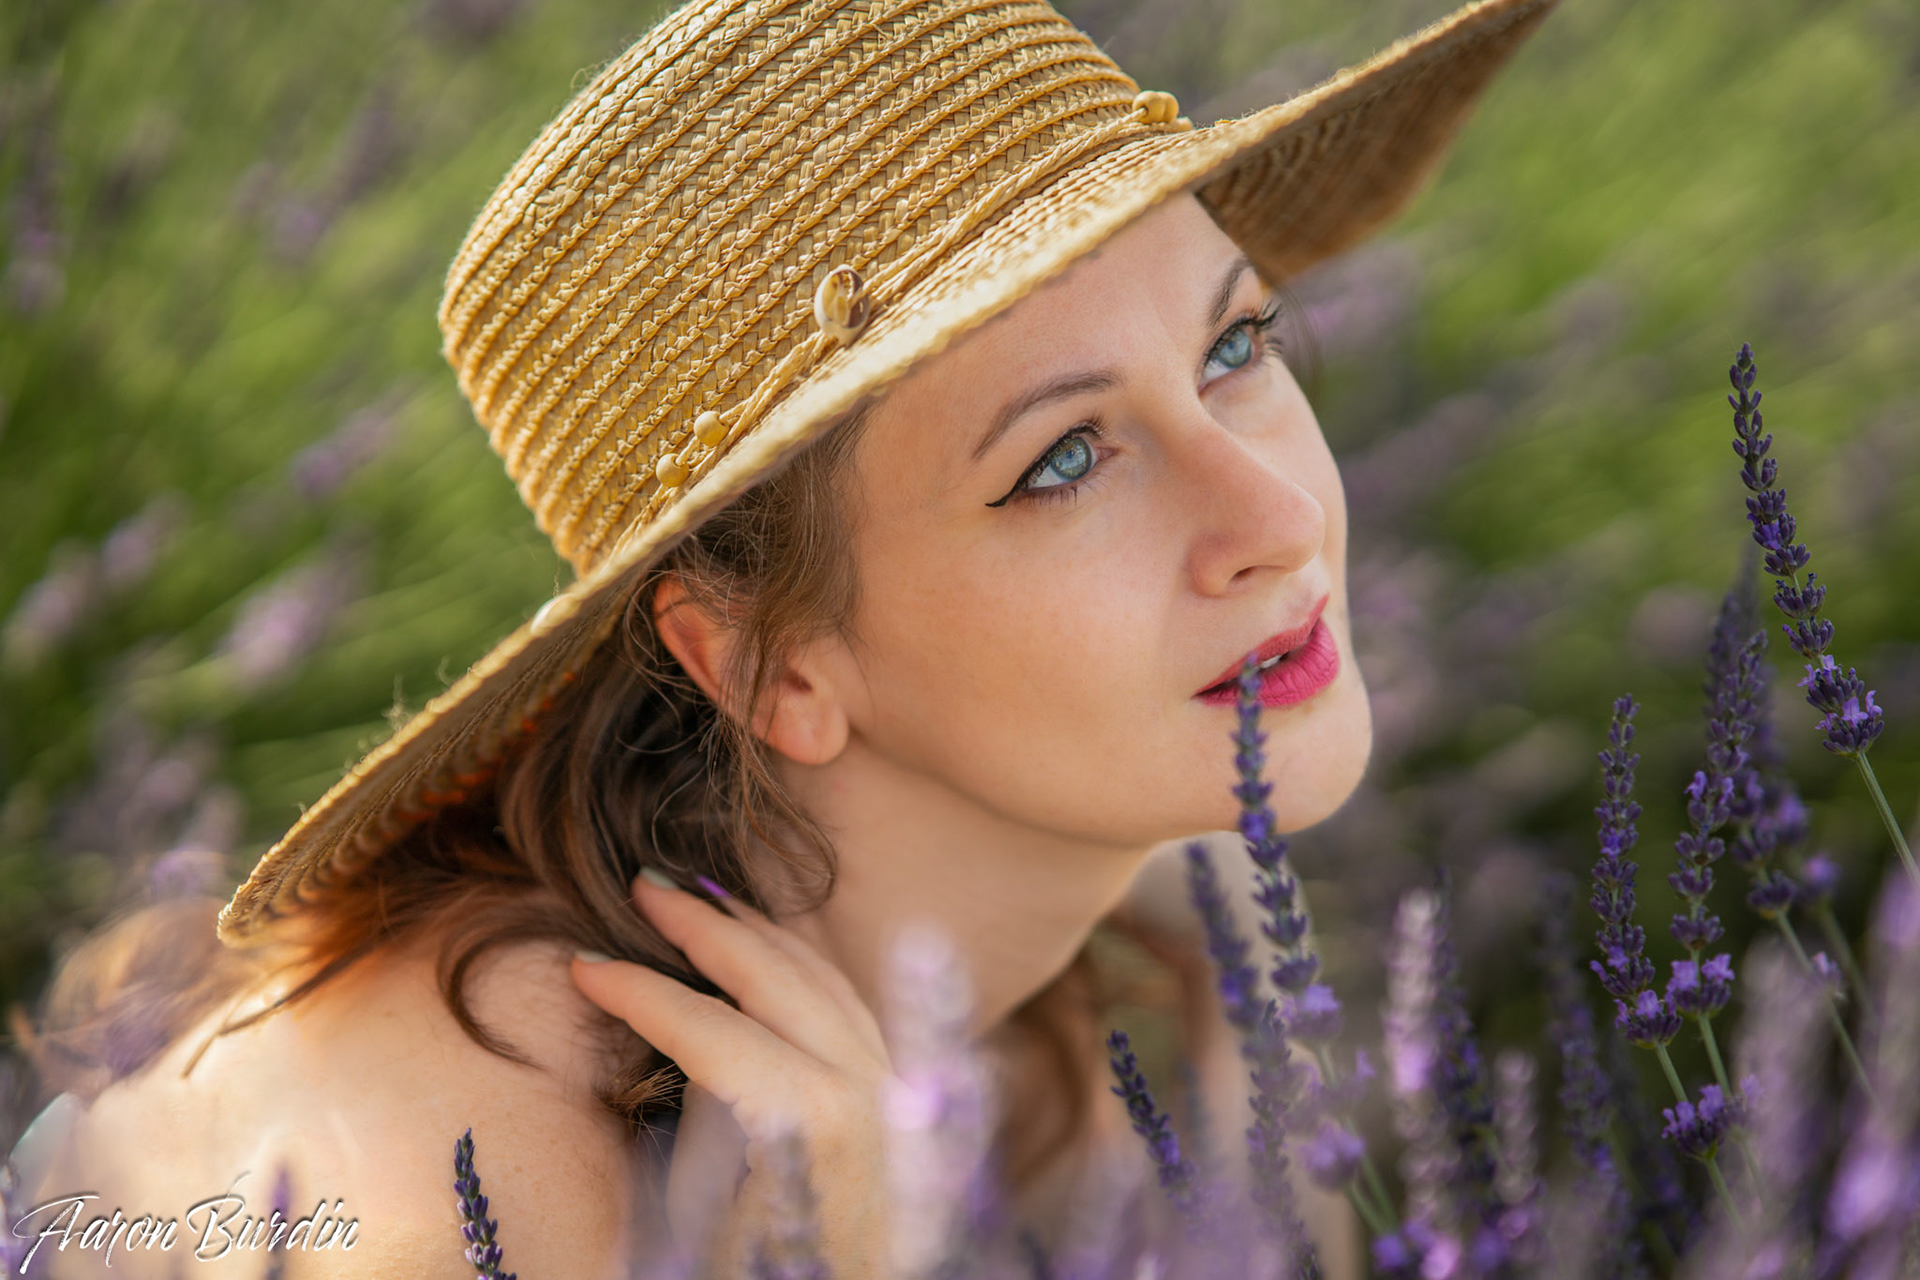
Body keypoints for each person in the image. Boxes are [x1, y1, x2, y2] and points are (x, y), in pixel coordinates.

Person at [7, 0, 1554, 1274]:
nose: (1276, 516)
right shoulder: (474, 1158)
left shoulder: (1165, 973)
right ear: (766, 662)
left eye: (1234, 344)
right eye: (1064, 459)